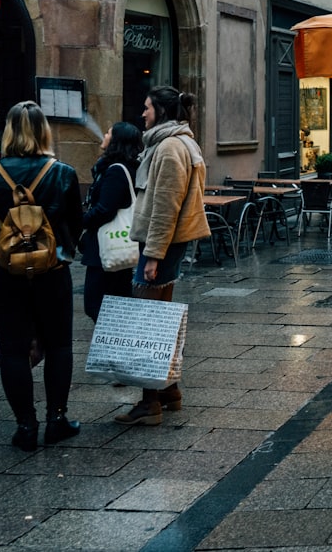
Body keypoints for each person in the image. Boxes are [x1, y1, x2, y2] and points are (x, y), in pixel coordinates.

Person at [0, 100, 82, 450]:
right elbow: (75, 224)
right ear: (44, 131)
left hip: (2, 269)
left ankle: (25, 426)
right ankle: (56, 419)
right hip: (51, 269)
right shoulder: (63, 172)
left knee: (12, 348)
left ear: (8, 131)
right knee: (59, 345)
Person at [114, 86, 209, 426]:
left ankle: (149, 402)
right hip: (166, 244)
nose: (143, 113)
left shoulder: (169, 147)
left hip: (161, 245)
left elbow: (166, 206)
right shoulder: (178, 142)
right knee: (159, 320)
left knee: (148, 324)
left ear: (162, 112)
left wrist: (153, 255)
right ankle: (168, 390)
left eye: (148, 107)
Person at [80, 122, 142, 324]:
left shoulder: (116, 170)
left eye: (108, 132)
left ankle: (124, 335)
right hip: (118, 245)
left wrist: (80, 221)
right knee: (118, 298)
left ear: (116, 141)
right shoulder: (127, 167)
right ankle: (123, 336)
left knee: (94, 303)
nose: (104, 135)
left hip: (107, 246)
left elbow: (105, 209)